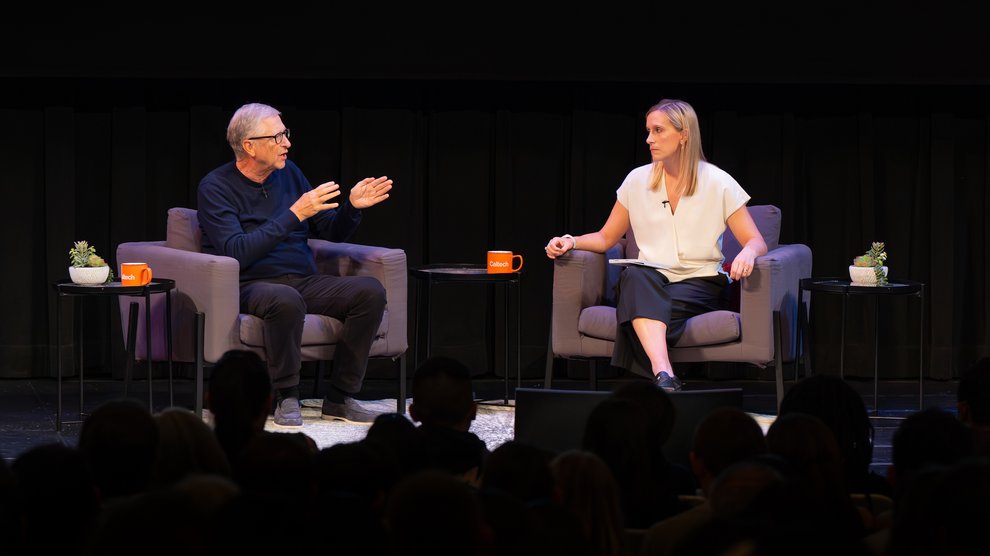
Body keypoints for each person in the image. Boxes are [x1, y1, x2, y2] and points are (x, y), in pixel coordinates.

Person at [545, 99, 766, 391]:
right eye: (648, 130)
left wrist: (748, 252)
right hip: (648, 279)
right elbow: (605, 238)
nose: (649, 139)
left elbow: (756, 240)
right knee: (635, 275)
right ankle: (664, 373)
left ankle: (654, 362)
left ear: (683, 134)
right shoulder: (637, 181)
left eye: (658, 130)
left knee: (635, 314)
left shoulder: (718, 182)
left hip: (699, 283)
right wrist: (570, 241)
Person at [197, 102, 394, 426]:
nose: (286, 143)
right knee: (284, 299)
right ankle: (287, 394)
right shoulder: (216, 187)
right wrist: (295, 214)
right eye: (277, 136)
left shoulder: (290, 174)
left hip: (303, 278)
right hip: (251, 283)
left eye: (285, 134)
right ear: (249, 145)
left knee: (369, 291)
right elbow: (236, 251)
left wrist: (352, 208)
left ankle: (340, 397)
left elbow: (329, 230)